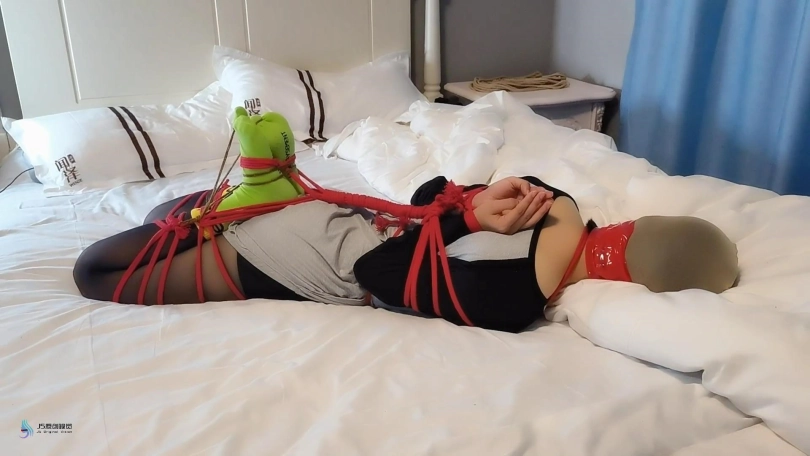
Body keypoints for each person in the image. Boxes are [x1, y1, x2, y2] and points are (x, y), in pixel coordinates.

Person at [73, 111, 740, 333]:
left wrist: (469, 210)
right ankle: (217, 214)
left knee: (149, 230)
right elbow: (385, 267)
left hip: (321, 230)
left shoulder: (551, 201)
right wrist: (463, 217)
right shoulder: (517, 294)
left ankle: (224, 207)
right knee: (101, 268)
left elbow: (420, 204)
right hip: (314, 250)